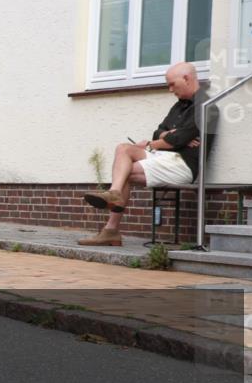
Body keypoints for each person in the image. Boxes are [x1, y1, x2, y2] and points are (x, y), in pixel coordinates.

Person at [78, 62, 209, 246]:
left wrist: (161, 140)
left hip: (183, 164)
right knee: (123, 148)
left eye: (172, 84)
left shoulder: (206, 106)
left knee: (126, 173)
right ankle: (114, 195)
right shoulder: (178, 107)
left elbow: (177, 139)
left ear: (187, 79)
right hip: (164, 157)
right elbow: (160, 132)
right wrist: (168, 136)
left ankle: (111, 230)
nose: (170, 89)